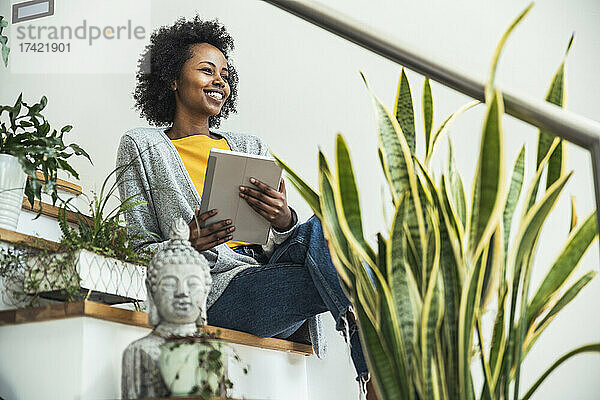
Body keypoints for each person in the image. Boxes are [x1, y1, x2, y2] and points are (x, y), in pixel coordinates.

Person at [116, 15, 375, 398]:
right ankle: (374, 374)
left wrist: (282, 218)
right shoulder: (141, 146)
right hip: (220, 293)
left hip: (268, 277)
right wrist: (189, 246)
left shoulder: (249, 145)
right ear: (172, 79)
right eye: (207, 70)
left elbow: (279, 241)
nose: (219, 80)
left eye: (224, 73)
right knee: (353, 276)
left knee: (324, 230)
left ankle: (370, 371)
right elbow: (136, 248)